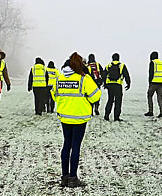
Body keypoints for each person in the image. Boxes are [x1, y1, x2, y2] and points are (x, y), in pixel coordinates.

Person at [52, 52, 101, 187]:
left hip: (64, 117)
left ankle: (64, 177)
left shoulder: (59, 78)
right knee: (76, 146)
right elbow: (95, 96)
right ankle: (73, 178)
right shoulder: (84, 79)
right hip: (79, 118)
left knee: (66, 144)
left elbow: (54, 95)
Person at [103, 53, 131, 122]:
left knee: (110, 100)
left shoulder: (108, 65)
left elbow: (104, 75)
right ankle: (116, 117)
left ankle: (106, 115)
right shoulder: (122, 66)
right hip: (118, 85)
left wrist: (105, 84)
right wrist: (128, 83)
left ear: (112, 58)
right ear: (119, 58)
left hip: (110, 85)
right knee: (118, 101)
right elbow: (126, 75)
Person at [144, 51, 162, 118]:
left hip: (153, 83)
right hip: (161, 83)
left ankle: (150, 111)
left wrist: (149, 82)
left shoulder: (152, 62)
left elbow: (151, 73)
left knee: (149, 96)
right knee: (160, 98)